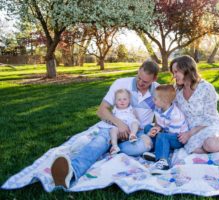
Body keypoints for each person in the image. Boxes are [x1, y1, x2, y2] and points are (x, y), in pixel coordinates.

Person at [50, 60, 159, 189]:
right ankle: (72, 171)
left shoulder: (158, 90)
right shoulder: (121, 83)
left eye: (145, 82)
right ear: (138, 71)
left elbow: (163, 116)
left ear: (154, 79)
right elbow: (101, 110)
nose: (140, 83)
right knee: (101, 140)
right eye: (139, 77)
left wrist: (152, 130)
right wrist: (119, 124)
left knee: (145, 145)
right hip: (114, 126)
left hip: (136, 132)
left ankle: (110, 147)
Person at [143, 84, 189, 174]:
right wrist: (156, 128)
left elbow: (171, 134)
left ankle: (163, 161)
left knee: (162, 136)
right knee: (148, 128)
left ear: (164, 102)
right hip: (165, 132)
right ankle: (157, 152)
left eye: (155, 99)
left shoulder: (175, 115)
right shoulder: (158, 108)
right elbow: (159, 124)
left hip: (178, 138)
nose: (153, 100)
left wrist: (159, 131)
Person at [97, 89, 139, 155]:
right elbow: (110, 118)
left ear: (129, 100)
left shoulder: (131, 108)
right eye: (119, 100)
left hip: (129, 126)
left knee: (135, 122)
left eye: (124, 99)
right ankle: (115, 146)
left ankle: (132, 135)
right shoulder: (114, 109)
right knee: (113, 130)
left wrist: (136, 123)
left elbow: (136, 117)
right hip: (118, 127)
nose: (122, 101)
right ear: (115, 101)